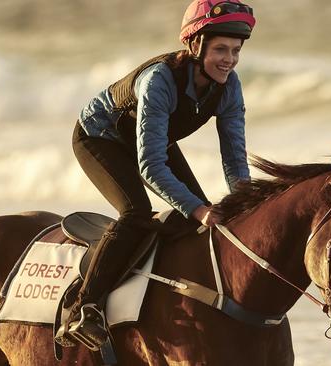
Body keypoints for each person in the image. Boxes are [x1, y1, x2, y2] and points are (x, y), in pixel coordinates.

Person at [55, 0, 256, 349]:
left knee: (197, 213)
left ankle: (151, 287)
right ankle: (82, 306)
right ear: (194, 46)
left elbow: (235, 161)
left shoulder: (230, 86)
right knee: (136, 211)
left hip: (149, 138)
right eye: (221, 49)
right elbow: (150, 166)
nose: (230, 59)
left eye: (236, 50)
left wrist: (248, 205)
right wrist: (197, 209)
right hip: (99, 138)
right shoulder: (159, 80)